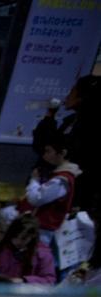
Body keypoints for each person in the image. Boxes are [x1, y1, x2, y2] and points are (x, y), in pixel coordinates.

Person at [20, 133, 81, 243]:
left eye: (48, 151)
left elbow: (37, 199)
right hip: (39, 227)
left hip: (43, 230)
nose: (44, 155)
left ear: (62, 153)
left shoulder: (62, 179)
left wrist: (34, 180)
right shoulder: (57, 174)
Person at [59, 75, 100, 216]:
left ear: (82, 97)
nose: (68, 96)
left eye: (72, 91)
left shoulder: (87, 127)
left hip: (75, 193)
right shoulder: (72, 121)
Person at [0, 215, 56, 284]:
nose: (17, 241)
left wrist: (24, 280)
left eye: (23, 238)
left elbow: (49, 280)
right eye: (15, 236)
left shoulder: (43, 254)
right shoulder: (3, 247)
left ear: (32, 236)